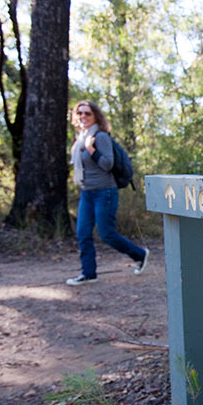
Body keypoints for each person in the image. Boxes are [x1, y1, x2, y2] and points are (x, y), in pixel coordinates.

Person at [66, 100, 149, 286]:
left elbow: (107, 164)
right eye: (80, 113)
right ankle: (88, 273)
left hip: (105, 192)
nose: (83, 117)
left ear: (95, 116)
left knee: (106, 233)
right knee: (82, 233)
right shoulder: (81, 138)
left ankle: (140, 254)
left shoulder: (99, 137)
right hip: (87, 193)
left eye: (87, 113)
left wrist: (91, 150)